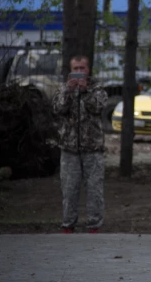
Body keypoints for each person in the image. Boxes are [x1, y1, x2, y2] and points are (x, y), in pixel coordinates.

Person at [52, 54, 108, 234]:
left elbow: (98, 107)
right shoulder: (64, 89)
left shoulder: (97, 89)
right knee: (69, 189)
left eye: (81, 68)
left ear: (88, 69)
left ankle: (93, 225)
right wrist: (68, 92)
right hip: (69, 148)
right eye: (75, 69)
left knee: (94, 189)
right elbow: (58, 109)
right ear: (70, 70)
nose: (78, 72)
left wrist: (85, 92)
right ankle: (68, 223)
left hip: (92, 148)